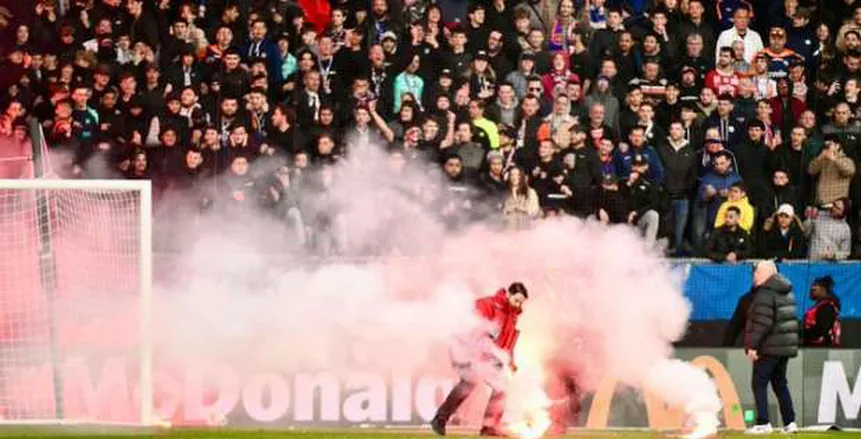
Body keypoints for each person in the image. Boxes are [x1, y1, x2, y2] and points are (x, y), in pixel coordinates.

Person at [431, 282, 529, 437]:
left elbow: (508, 342)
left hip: (491, 357)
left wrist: (510, 362)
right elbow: (475, 327)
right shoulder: (489, 304)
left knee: (501, 387)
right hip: (472, 351)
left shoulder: (512, 316)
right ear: (509, 294)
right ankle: (440, 419)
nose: (519, 304)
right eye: (516, 300)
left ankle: (489, 427)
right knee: (469, 384)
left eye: (521, 302)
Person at [744, 260, 799, 435]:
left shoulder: (765, 292)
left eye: (757, 272)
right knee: (780, 384)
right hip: (784, 347)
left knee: (759, 383)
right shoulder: (786, 289)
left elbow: (763, 322)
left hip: (769, 347)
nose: (754, 275)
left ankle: (763, 422)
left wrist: (753, 346)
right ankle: (790, 422)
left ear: (766, 274)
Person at [802, 276, 842, 347]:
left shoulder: (826, 307)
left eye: (814, 289)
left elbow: (821, 330)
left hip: (821, 348)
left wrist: (801, 333)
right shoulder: (820, 306)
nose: (810, 291)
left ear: (823, 289)